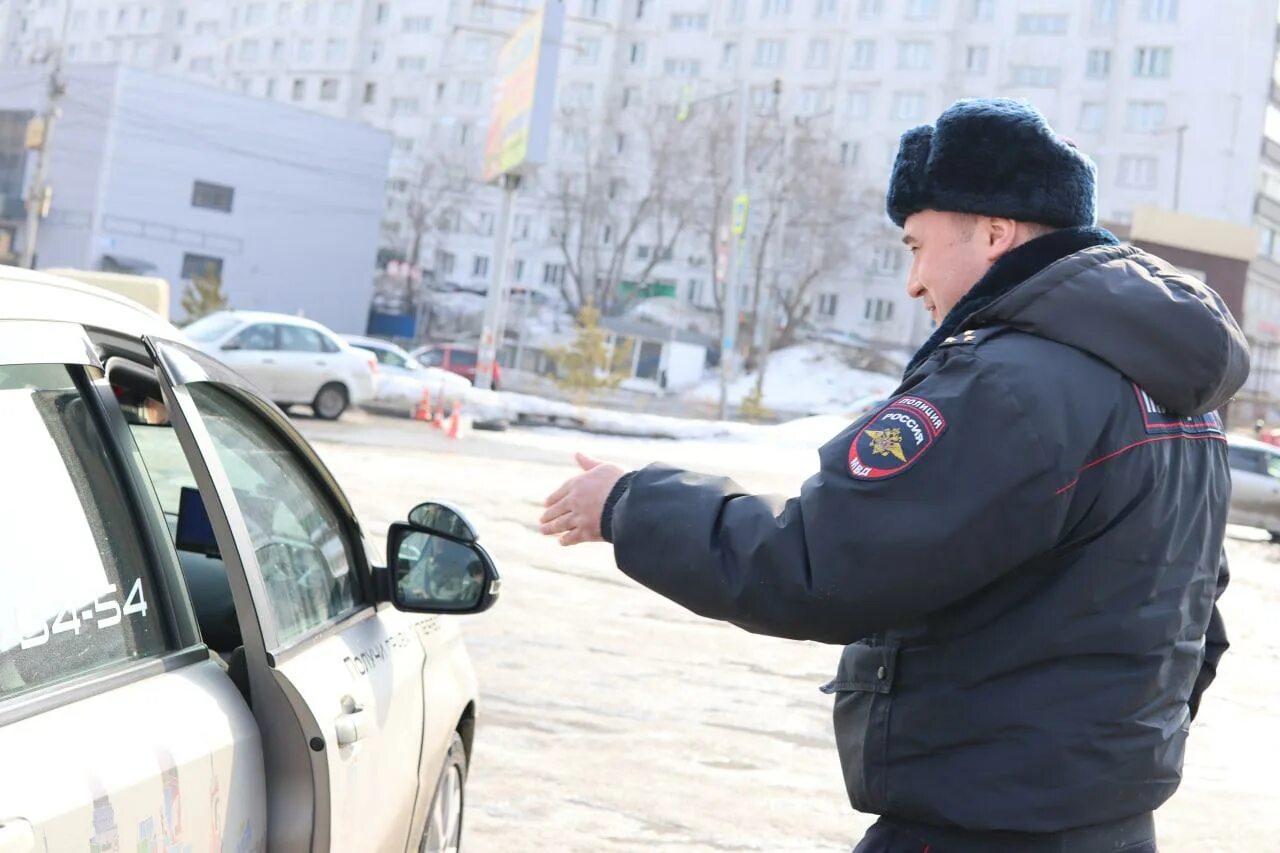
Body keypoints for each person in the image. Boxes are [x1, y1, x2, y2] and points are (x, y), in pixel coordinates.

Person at [539, 98, 1248, 853]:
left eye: (917, 245)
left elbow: (817, 563)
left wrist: (627, 503)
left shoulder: (1009, 386)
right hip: (1108, 826)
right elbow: (1197, 623)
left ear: (995, 232)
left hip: (983, 828)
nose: (913, 282)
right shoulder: (1172, 393)